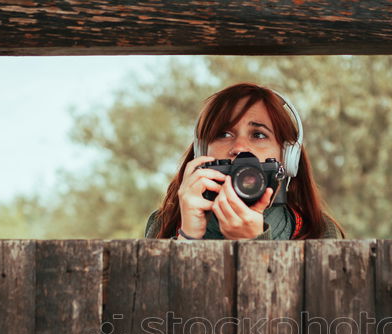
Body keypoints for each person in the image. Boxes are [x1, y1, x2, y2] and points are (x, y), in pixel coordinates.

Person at [144, 83, 345, 240]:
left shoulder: (318, 229)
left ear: (287, 156)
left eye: (258, 135)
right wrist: (188, 238)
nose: (239, 147)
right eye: (223, 134)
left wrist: (255, 243)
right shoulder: (163, 223)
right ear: (203, 151)